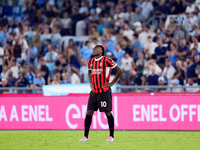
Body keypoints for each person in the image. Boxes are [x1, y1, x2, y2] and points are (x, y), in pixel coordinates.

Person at [79, 45, 122, 142]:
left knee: (108, 113)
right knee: (89, 112)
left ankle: (111, 136)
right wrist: (90, 83)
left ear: (101, 51)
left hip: (104, 91)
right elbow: (89, 72)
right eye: (93, 49)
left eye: (96, 49)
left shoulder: (106, 60)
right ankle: (85, 136)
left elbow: (119, 70)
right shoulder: (90, 61)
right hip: (94, 91)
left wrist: (111, 83)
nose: (93, 50)